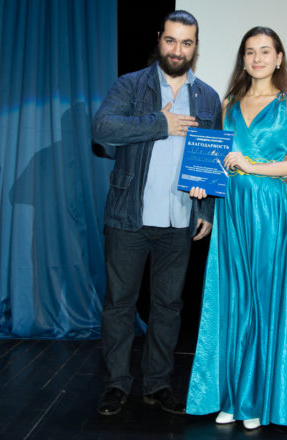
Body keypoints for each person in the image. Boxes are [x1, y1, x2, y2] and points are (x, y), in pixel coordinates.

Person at [91, 10, 222, 416]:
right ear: (160, 39)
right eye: (171, 40)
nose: (177, 50)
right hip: (129, 217)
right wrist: (159, 123)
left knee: (168, 306)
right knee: (119, 304)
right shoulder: (131, 85)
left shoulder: (208, 97)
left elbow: (211, 160)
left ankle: (157, 384)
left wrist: (206, 207)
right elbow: (102, 129)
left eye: (186, 43)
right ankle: (116, 385)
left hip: (179, 220)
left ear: (195, 47)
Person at [185, 26, 287, 430]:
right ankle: (232, 395)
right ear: (243, 59)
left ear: (278, 58)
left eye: (265, 51)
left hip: (268, 207)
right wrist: (203, 181)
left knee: (261, 300)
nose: (257, 58)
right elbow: (216, 161)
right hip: (232, 208)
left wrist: (253, 165)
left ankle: (255, 397)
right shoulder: (229, 103)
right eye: (250, 52)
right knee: (233, 299)